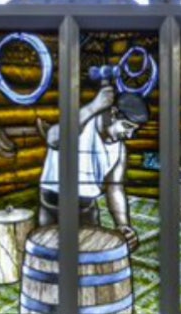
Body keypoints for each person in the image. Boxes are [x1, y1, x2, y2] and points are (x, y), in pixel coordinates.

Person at [39, 86, 150, 251]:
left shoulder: (119, 149)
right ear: (113, 114)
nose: (128, 135)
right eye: (127, 126)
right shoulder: (82, 124)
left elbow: (115, 188)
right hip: (54, 205)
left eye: (133, 131)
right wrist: (93, 107)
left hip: (87, 208)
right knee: (49, 253)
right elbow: (53, 138)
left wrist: (123, 225)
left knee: (92, 256)